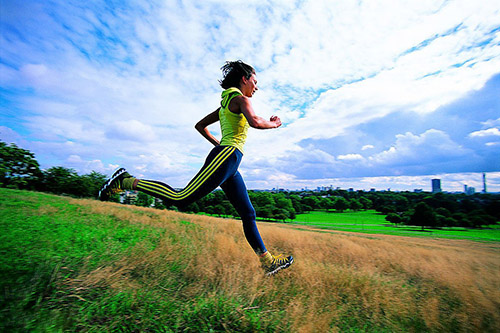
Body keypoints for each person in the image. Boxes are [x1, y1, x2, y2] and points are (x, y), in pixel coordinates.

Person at [99, 60, 293, 276]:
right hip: (227, 157)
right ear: (244, 79)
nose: (256, 87)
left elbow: (199, 126)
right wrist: (274, 123)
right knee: (180, 198)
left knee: (248, 213)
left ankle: (267, 262)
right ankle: (126, 180)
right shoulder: (240, 99)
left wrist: (219, 145)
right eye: (255, 82)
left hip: (229, 160)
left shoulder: (224, 106)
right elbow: (255, 121)